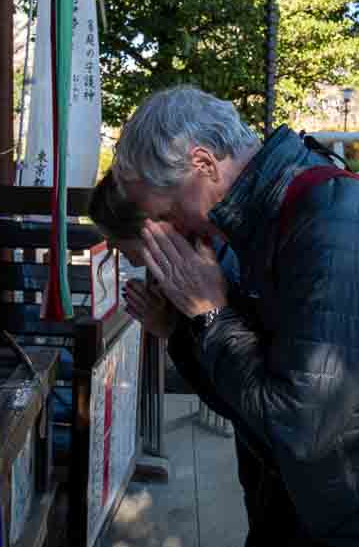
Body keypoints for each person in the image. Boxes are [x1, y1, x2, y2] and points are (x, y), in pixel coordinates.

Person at [111, 85, 359, 547]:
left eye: (169, 211)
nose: (172, 230)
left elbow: (298, 426)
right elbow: (248, 402)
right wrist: (184, 328)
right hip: (328, 508)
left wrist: (211, 314)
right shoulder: (262, 222)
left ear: (204, 164)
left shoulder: (336, 227)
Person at [88, 171, 299, 547]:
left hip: (296, 477)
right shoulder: (210, 260)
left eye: (123, 246)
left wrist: (197, 319)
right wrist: (173, 327)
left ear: (152, 230)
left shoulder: (220, 269)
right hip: (271, 466)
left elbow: (247, 399)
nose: (124, 257)